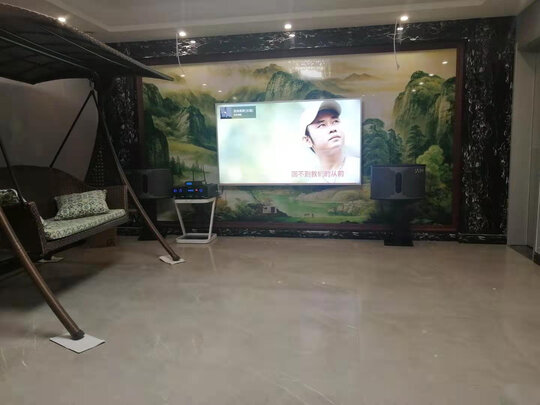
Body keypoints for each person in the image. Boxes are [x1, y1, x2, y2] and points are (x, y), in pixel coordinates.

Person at [299, 100, 360, 183]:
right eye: (321, 125)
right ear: (307, 140)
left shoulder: (359, 169)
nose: (333, 129)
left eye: (335, 122)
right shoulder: (309, 181)